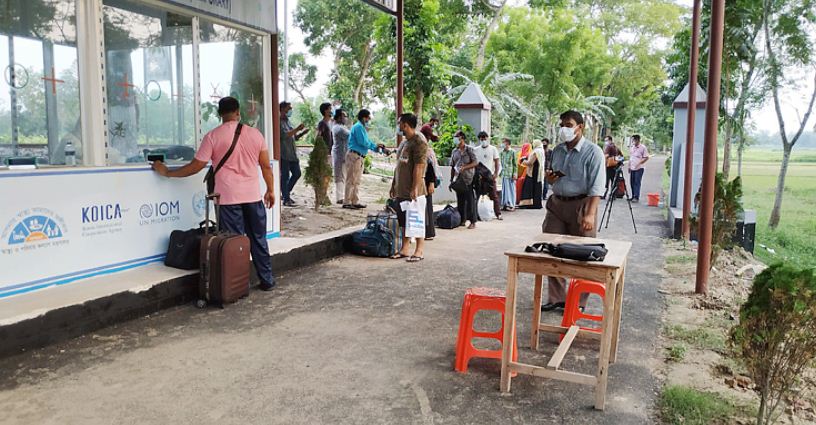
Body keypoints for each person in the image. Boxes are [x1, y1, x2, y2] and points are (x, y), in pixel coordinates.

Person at [151, 97, 277, 291]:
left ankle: (237, 286)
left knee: (232, 243)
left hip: (227, 198)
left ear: (220, 114)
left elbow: (196, 166)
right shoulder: (256, 135)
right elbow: (266, 167)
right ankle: (267, 280)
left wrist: (168, 172)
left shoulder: (213, 136)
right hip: (253, 196)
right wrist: (270, 190)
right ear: (238, 112)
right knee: (258, 239)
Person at [540, 110, 605, 312]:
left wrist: (590, 214)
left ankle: (578, 302)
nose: (564, 129)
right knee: (552, 250)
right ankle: (557, 298)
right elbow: (553, 175)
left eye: (568, 125)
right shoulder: (558, 150)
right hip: (557, 204)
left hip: (581, 205)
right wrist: (550, 179)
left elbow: (597, 186)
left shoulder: (593, 152)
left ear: (579, 127)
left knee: (584, 253)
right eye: (562, 124)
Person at [389, 113, 429, 262]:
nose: (398, 126)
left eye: (399, 123)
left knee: (416, 219)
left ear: (405, 124)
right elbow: (399, 165)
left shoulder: (419, 141)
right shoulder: (404, 143)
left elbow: (419, 166)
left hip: (414, 190)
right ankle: (405, 249)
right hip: (401, 188)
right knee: (404, 220)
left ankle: (419, 250)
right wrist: (394, 184)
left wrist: (415, 187)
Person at [344, 109, 383, 209]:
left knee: (356, 180)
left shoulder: (361, 127)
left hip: (359, 156)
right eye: (368, 118)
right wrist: (374, 146)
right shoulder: (358, 127)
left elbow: (366, 141)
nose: (368, 120)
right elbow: (363, 142)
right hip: (354, 155)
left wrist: (375, 147)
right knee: (351, 179)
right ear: (363, 117)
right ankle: (347, 202)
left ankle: (354, 201)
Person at [279, 101, 309, 207]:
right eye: (289, 108)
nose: (290, 110)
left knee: (297, 174)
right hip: (284, 154)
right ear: (282, 109)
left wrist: (301, 133)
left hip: (292, 154)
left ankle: (285, 193)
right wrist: (297, 129)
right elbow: (283, 135)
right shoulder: (278, 121)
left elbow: (292, 137)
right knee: (285, 176)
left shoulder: (288, 121)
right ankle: (286, 199)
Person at [450, 131, 478, 229]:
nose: (455, 139)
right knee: (460, 200)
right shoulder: (454, 151)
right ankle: (462, 220)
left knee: (470, 200)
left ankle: (473, 221)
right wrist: (451, 180)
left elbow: (475, 162)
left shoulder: (469, 149)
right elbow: (452, 166)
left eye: (456, 137)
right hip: (458, 179)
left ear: (462, 138)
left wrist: (465, 167)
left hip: (468, 178)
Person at [473, 131, 502, 220]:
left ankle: (498, 213)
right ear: (479, 139)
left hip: (489, 176)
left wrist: (496, 173)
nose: (483, 140)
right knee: (478, 195)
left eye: (485, 138)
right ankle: (476, 214)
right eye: (481, 139)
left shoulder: (493, 149)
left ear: (488, 138)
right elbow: (474, 163)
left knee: (494, 195)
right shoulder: (476, 150)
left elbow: (497, 162)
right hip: (479, 176)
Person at [518, 140, 546, 209]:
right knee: (537, 188)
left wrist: (523, 161)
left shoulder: (536, 151)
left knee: (529, 187)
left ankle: (528, 204)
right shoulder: (541, 151)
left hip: (533, 172)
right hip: (538, 171)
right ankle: (537, 204)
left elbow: (530, 162)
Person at [331, 109, 350, 205]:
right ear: (339, 117)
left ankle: (343, 196)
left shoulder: (343, 127)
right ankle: (339, 197)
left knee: (344, 176)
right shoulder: (338, 128)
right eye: (344, 116)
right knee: (339, 176)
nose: (346, 118)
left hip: (343, 155)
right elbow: (350, 135)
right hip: (339, 155)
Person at [628, 134, 649, 202]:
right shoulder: (632, 147)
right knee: (632, 182)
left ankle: (636, 197)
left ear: (638, 140)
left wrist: (639, 163)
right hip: (632, 167)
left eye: (634, 140)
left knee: (637, 182)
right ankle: (633, 195)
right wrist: (629, 166)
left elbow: (646, 157)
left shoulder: (643, 147)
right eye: (632, 140)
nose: (633, 141)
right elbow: (630, 157)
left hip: (639, 168)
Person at [499, 138, 517, 211]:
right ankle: (504, 204)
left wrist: (515, 173)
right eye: (502, 142)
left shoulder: (513, 152)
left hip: (510, 173)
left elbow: (515, 164)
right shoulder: (501, 152)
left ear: (508, 144)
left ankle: (511, 204)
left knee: (511, 189)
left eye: (504, 143)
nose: (503, 144)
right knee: (504, 190)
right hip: (503, 173)